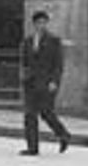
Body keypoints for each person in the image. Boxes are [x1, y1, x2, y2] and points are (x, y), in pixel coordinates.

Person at [19, 9, 70, 155]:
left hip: (47, 83)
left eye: (43, 22)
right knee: (29, 115)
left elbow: (58, 64)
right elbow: (24, 61)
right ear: (33, 24)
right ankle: (32, 147)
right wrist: (24, 75)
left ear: (46, 23)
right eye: (38, 23)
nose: (41, 25)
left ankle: (63, 135)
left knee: (46, 113)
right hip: (30, 83)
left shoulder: (54, 40)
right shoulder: (27, 41)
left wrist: (54, 81)